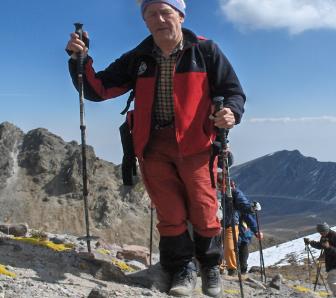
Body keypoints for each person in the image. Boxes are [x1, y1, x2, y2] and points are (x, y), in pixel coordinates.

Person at [65, 1, 246, 297]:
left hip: (196, 145)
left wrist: (231, 112)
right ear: (145, 21)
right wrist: (80, 59)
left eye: (166, 12)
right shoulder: (139, 56)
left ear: (181, 16)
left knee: (204, 210)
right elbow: (97, 89)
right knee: (170, 212)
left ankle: (209, 266)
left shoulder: (206, 51)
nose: (159, 19)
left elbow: (232, 91)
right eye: (151, 14)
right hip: (153, 147)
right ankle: (181, 269)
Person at [219, 180, 260, 276]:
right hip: (234, 226)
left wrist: (256, 230)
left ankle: (241, 270)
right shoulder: (227, 196)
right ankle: (236, 270)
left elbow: (247, 214)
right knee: (231, 248)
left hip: (240, 229)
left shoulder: (235, 195)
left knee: (240, 248)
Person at [304, 223, 336, 298]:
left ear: (326, 229)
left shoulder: (335, 236)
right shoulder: (324, 236)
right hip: (335, 263)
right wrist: (310, 242)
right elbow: (321, 245)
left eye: (321, 232)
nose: (321, 233)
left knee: (332, 280)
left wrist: (328, 247)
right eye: (319, 232)